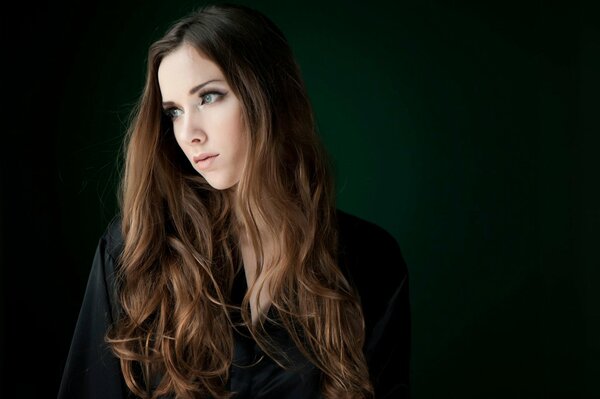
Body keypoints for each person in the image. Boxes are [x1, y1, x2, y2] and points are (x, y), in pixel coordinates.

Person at [57, 3, 410, 398]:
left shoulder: (371, 259)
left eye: (208, 97)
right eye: (173, 111)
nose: (189, 132)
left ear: (269, 94)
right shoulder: (136, 250)